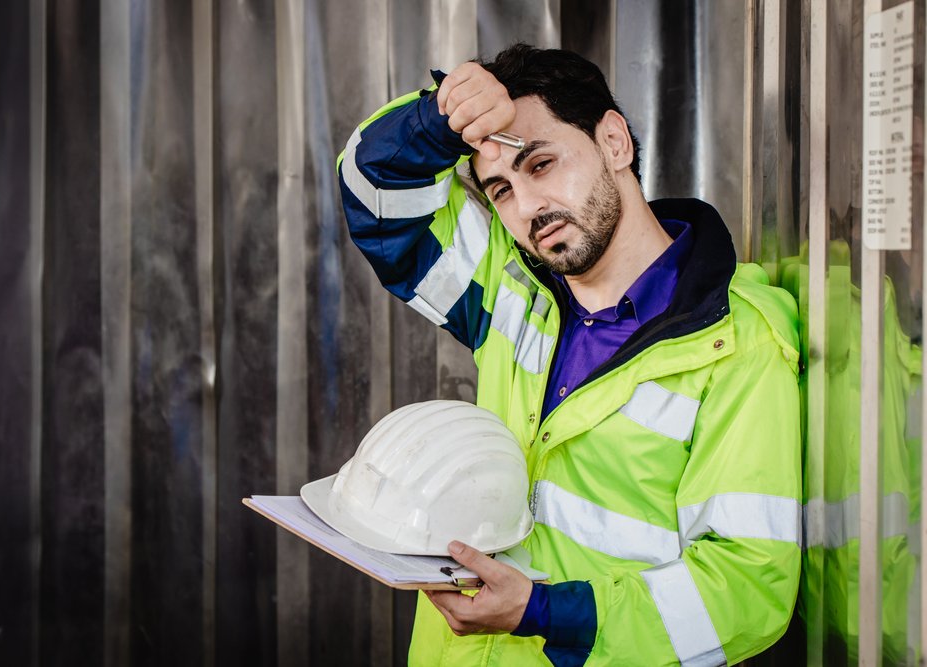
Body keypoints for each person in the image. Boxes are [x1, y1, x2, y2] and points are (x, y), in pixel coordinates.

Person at [337, 44, 802, 666]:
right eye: (500, 189)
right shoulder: (508, 296)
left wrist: (542, 613)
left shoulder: (733, 348)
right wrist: (440, 119)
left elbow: (746, 589)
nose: (527, 208)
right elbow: (374, 190)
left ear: (614, 142)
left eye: (542, 164)